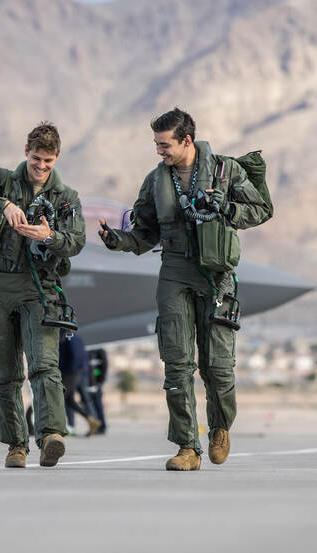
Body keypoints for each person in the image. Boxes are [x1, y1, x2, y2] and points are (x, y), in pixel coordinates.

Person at [98, 108, 272, 470]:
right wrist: (119, 240)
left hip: (216, 273)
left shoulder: (226, 172)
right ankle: (187, 448)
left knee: (218, 368)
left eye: (165, 145)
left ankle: (220, 427)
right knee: (176, 364)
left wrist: (225, 206)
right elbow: (145, 232)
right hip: (174, 270)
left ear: (186, 141)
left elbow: (261, 209)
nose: (159, 152)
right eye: (157, 145)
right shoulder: (155, 181)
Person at [0, 122, 86, 468]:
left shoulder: (67, 198)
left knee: (45, 365)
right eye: (35, 159)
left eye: (48, 160)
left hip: (39, 287)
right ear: (25, 152)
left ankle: (50, 435)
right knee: (5, 371)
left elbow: (76, 242)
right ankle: (16, 444)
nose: (41, 167)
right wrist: (2, 205)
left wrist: (49, 237)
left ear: (57, 157)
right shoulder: (1, 180)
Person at [59, 331, 101, 437]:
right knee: (70, 401)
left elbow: (75, 355)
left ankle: (60, 428)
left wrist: (69, 372)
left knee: (59, 398)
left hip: (71, 373)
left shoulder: (68, 337)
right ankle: (91, 420)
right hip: (78, 372)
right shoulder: (75, 337)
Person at [87, 348, 108, 434]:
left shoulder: (100, 351)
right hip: (89, 384)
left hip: (96, 384)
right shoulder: (89, 350)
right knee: (91, 407)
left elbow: (102, 368)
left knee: (98, 405)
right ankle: (97, 426)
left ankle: (102, 427)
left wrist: (98, 379)